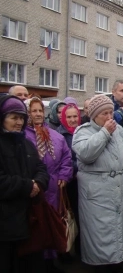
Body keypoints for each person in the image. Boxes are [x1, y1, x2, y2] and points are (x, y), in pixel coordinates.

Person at [72, 95, 123, 273]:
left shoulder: (120, 130)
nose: (109, 117)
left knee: (121, 225)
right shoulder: (82, 131)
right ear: (93, 116)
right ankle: (101, 266)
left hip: (121, 186)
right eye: (104, 113)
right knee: (101, 229)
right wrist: (105, 133)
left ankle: (118, 262)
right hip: (97, 192)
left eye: (110, 112)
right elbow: (86, 154)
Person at [0, 95, 49, 273]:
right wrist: (28, 186)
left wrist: (39, 183)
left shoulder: (26, 144)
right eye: (14, 117)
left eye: (21, 117)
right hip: (5, 223)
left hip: (28, 219)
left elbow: (41, 168)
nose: (19, 122)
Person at [24, 97, 73, 273]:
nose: (37, 114)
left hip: (54, 188)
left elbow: (66, 158)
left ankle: (52, 262)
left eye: (40, 111)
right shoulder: (23, 135)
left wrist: (64, 175)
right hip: (36, 190)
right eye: (33, 110)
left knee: (54, 224)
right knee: (39, 227)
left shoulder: (55, 135)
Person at [57, 103, 82, 257]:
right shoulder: (59, 135)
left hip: (84, 183)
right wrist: (82, 165)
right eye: (69, 116)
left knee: (82, 218)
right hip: (69, 183)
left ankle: (81, 249)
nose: (72, 120)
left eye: (75, 116)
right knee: (68, 217)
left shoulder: (83, 131)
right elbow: (61, 160)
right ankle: (65, 252)